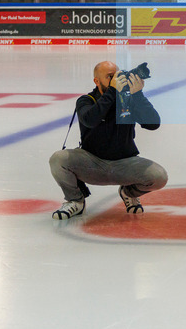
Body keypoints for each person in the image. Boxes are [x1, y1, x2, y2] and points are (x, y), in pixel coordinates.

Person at [49, 61, 167, 219]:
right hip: (92, 164)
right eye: (110, 77)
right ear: (96, 81)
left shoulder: (127, 100)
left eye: (117, 76)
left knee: (159, 176)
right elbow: (90, 119)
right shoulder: (86, 100)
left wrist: (138, 95)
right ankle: (76, 201)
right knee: (58, 159)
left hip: (124, 164)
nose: (115, 80)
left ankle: (128, 193)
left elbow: (153, 124)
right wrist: (112, 91)